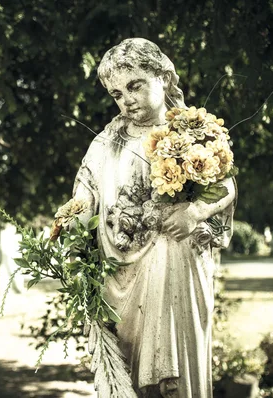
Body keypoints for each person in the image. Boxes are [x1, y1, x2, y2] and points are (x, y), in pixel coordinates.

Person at [70, 38, 236, 397]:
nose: (126, 99)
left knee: (173, 375)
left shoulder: (190, 131)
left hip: (175, 262)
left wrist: (194, 212)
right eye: (117, 93)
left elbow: (225, 187)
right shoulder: (106, 141)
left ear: (163, 76)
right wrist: (78, 211)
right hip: (120, 269)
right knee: (128, 366)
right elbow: (87, 184)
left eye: (135, 85)